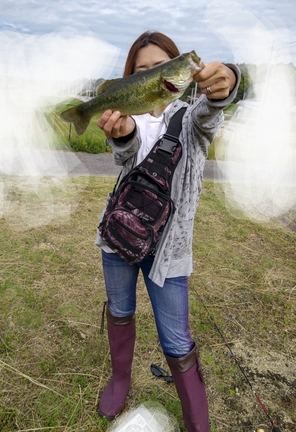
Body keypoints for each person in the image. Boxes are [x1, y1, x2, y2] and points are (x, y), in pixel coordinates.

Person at [95, 31, 240, 432]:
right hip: (119, 239)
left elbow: (213, 109)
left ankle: (197, 421)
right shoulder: (124, 114)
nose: (152, 73)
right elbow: (125, 156)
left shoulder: (190, 115)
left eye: (160, 65)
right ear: (130, 77)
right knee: (120, 311)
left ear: (176, 68)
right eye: (141, 69)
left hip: (168, 253)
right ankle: (120, 379)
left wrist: (227, 77)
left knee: (176, 341)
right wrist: (120, 135)